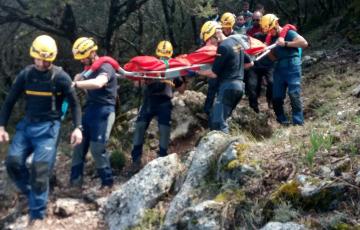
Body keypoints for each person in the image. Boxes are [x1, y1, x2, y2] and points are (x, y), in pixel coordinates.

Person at [0, 35, 83, 224]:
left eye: (46, 60)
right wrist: (2, 125)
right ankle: (30, 194)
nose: (42, 63)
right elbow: (10, 100)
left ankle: (36, 215)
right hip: (27, 125)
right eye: (39, 58)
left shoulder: (60, 77)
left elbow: (75, 104)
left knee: (40, 168)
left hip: (48, 128)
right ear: (33, 55)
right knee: (12, 162)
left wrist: (78, 128)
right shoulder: (26, 74)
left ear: (52, 58)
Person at [129, 40, 186, 174]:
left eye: (166, 56)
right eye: (161, 55)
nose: (163, 58)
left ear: (170, 55)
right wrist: (142, 77)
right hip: (149, 100)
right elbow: (136, 85)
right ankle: (136, 160)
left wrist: (183, 76)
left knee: (164, 129)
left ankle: (162, 157)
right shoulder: (150, 65)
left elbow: (182, 89)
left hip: (164, 102)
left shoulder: (174, 69)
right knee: (140, 127)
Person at [70, 37, 117, 189]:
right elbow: (83, 80)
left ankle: (107, 184)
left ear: (92, 52)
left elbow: (99, 83)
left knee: (97, 148)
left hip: (105, 111)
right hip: (90, 110)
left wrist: (76, 83)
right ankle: (75, 184)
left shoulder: (106, 67)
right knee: (79, 145)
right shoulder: (87, 70)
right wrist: (77, 78)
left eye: (83, 57)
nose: (82, 61)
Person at [198, 21, 254, 133]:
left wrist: (198, 72)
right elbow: (250, 63)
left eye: (209, 40)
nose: (209, 43)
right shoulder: (236, 42)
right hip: (239, 87)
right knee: (218, 118)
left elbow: (214, 73)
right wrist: (232, 68)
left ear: (215, 34)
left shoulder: (223, 47)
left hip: (227, 87)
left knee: (218, 123)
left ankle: (228, 148)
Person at [259, 14, 308, 125]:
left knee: (294, 93)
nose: (270, 32)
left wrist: (285, 43)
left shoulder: (289, 33)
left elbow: (304, 43)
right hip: (279, 67)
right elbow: (273, 58)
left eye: (271, 29)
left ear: (276, 23)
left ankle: (298, 121)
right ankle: (282, 120)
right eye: (268, 31)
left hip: (292, 65)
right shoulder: (270, 38)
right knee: (276, 96)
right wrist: (267, 52)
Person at [245, 11, 274, 113]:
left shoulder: (270, 31)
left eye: (258, 19)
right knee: (252, 87)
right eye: (254, 20)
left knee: (271, 82)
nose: (256, 22)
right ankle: (254, 109)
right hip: (254, 63)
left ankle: (269, 100)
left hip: (268, 62)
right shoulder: (249, 31)